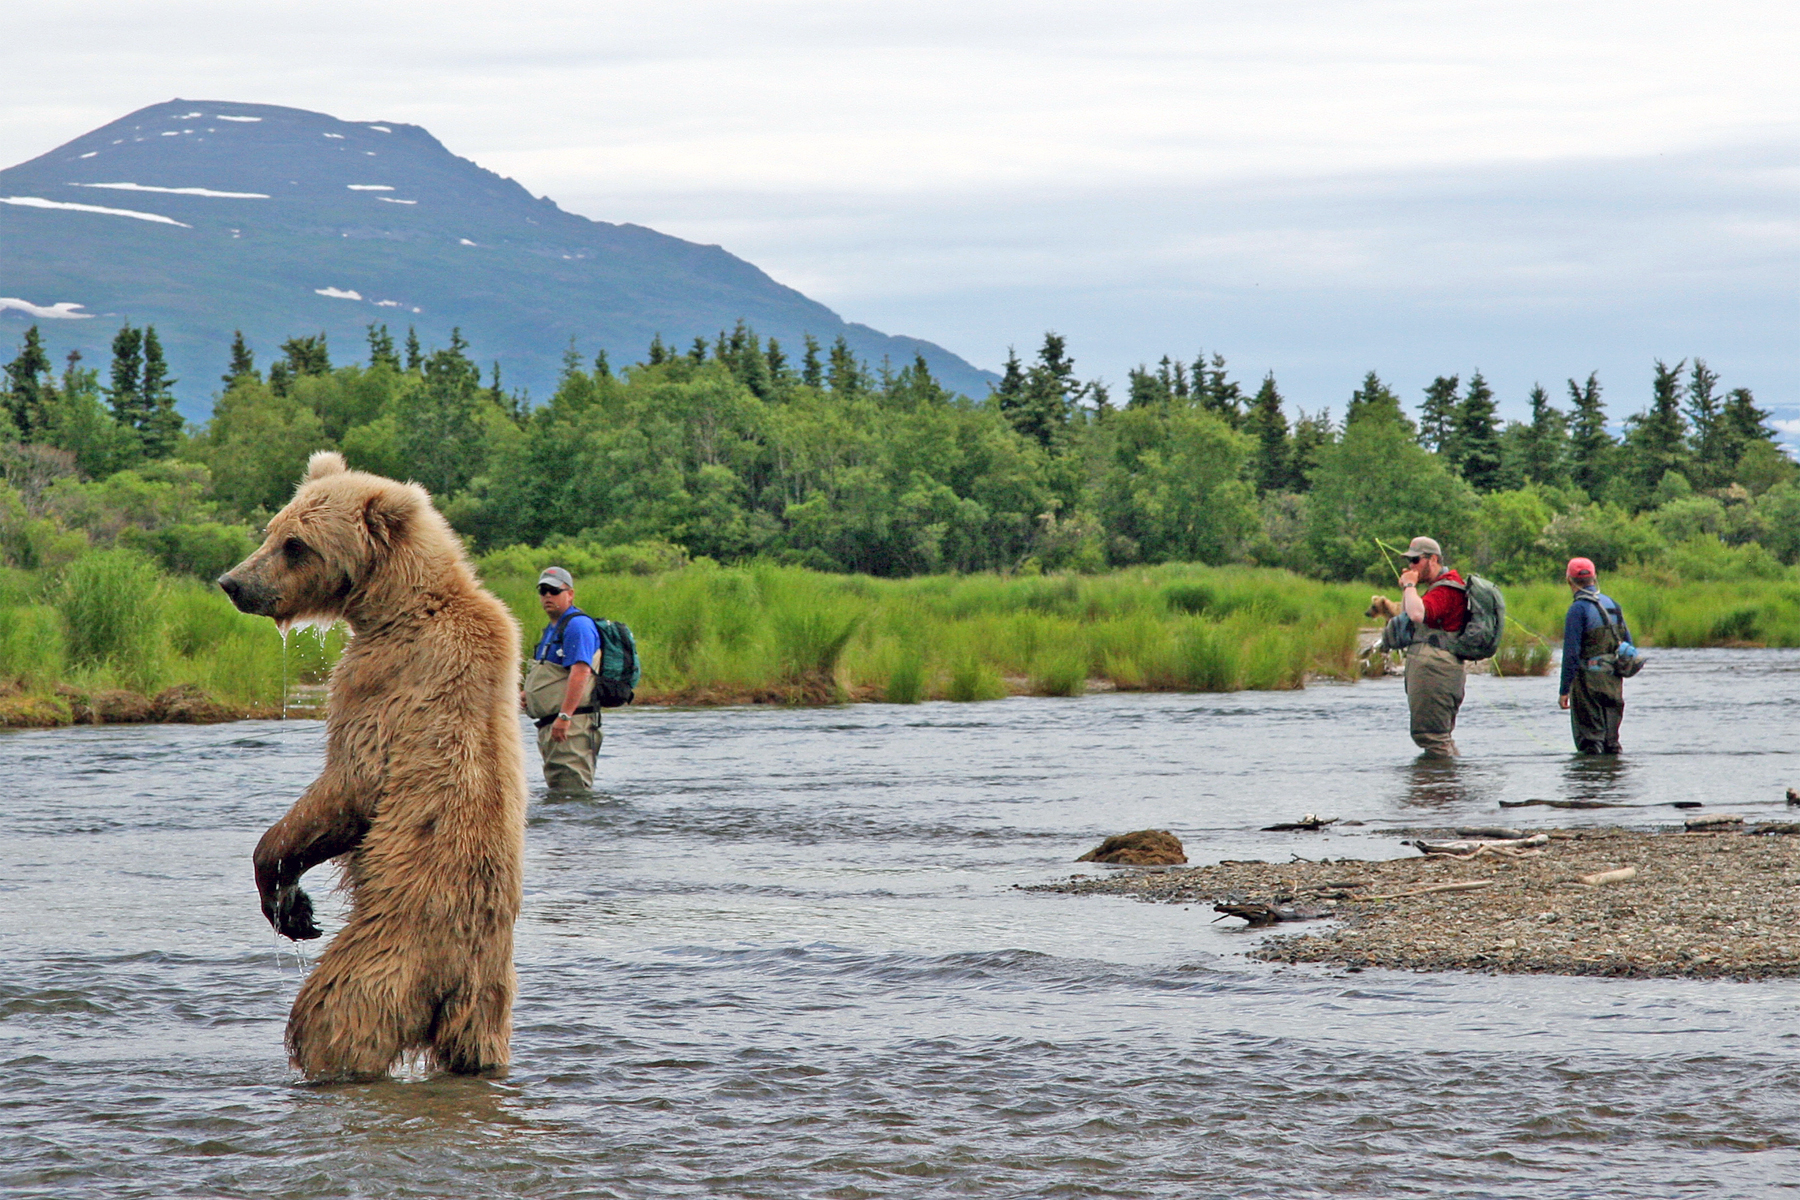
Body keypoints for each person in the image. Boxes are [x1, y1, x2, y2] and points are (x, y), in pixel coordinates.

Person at [520, 566, 603, 791]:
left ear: (570, 594)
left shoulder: (578, 625)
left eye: (555, 590)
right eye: (543, 590)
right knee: (559, 791)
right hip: (551, 726)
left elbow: (581, 672)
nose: (548, 595)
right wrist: (529, 694)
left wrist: (565, 716)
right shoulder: (552, 628)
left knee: (571, 792)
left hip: (571, 725)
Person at [1397, 535, 1468, 757]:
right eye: (1409, 561)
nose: (1411, 566)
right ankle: (1444, 784)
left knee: (1432, 737)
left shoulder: (1446, 589)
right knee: (1437, 736)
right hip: (1434, 667)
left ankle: (1437, 789)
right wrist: (1408, 589)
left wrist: (1410, 585)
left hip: (1436, 668)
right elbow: (1409, 610)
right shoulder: (1437, 588)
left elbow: (1417, 614)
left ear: (1433, 559)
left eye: (1416, 560)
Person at [1558, 557, 1633, 755]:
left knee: (1591, 743)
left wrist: (1564, 690)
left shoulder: (1577, 609)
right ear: (1594, 577)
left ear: (1569, 580)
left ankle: (1591, 784)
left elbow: (1571, 655)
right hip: (1613, 682)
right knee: (1612, 743)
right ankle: (1612, 781)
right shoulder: (1613, 605)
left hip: (1587, 685)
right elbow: (1628, 645)